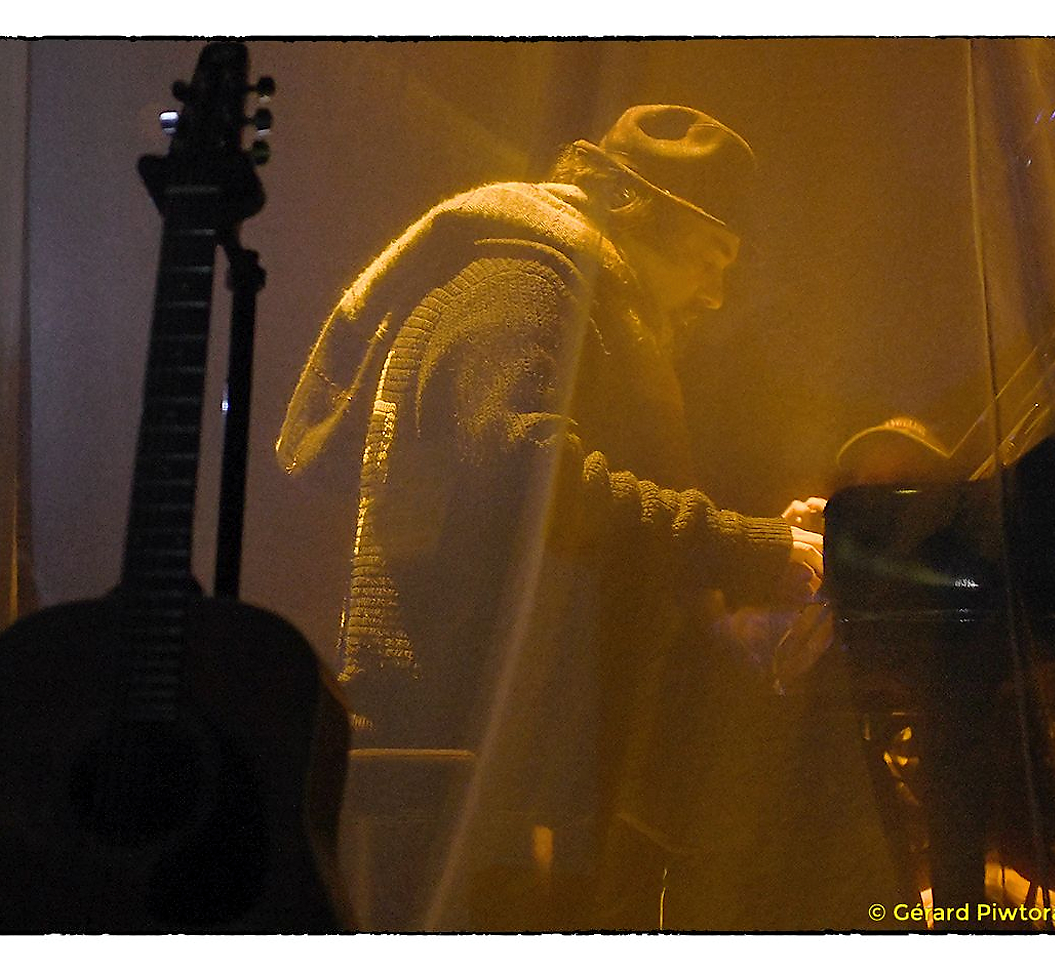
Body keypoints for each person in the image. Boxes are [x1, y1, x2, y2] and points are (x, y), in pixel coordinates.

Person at [277, 104, 825, 929]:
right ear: (637, 208)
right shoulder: (524, 282)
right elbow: (529, 482)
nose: (715, 295)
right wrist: (748, 548)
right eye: (710, 257)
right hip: (476, 755)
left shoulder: (562, 292)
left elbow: (570, 525)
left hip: (502, 755)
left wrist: (743, 573)